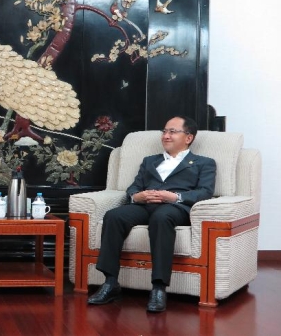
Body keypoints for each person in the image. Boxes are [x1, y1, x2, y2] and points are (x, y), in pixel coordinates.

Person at [87, 116, 216, 312]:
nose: (166, 136)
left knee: (161, 217)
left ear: (188, 137)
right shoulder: (150, 161)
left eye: (172, 131)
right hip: (145, 205)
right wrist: (137, 196)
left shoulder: (203, 163)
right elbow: (134, 187)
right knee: (114, 216)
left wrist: (174, 197)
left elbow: (205, 192)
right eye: (164, 131)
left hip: (174, 208)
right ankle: (110, 282)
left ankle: (158, 288)